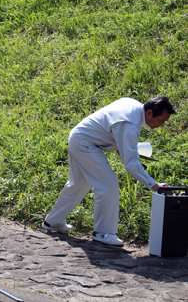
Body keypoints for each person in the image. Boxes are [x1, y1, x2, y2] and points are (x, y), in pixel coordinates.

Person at [42, 96, 175, 246]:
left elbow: (111, 124)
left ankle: (53, 221)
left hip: (79, 137)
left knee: (78, 184)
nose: (161, 125)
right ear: (150, 113)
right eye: (161, 121)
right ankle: (103, 232)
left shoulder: (132, 105)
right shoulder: (130, 124)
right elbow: (131, 163)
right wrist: (155, 185)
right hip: (86, 143)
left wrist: (120, 144)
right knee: (108, 184)